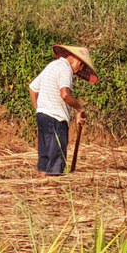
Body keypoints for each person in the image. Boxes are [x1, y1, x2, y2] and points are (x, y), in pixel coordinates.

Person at [28, 44, 98, 176]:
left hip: (43, 118)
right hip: (55, 120)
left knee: (45, 161)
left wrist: (40, 109)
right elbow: (65, 94)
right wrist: (79, 108)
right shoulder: (66, 69)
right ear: (78, 61)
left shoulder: (52, 66)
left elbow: (32, 88)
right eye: (81, 67)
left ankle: (41, 193)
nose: (78, 71)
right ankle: (53, 192)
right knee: (55, 163)